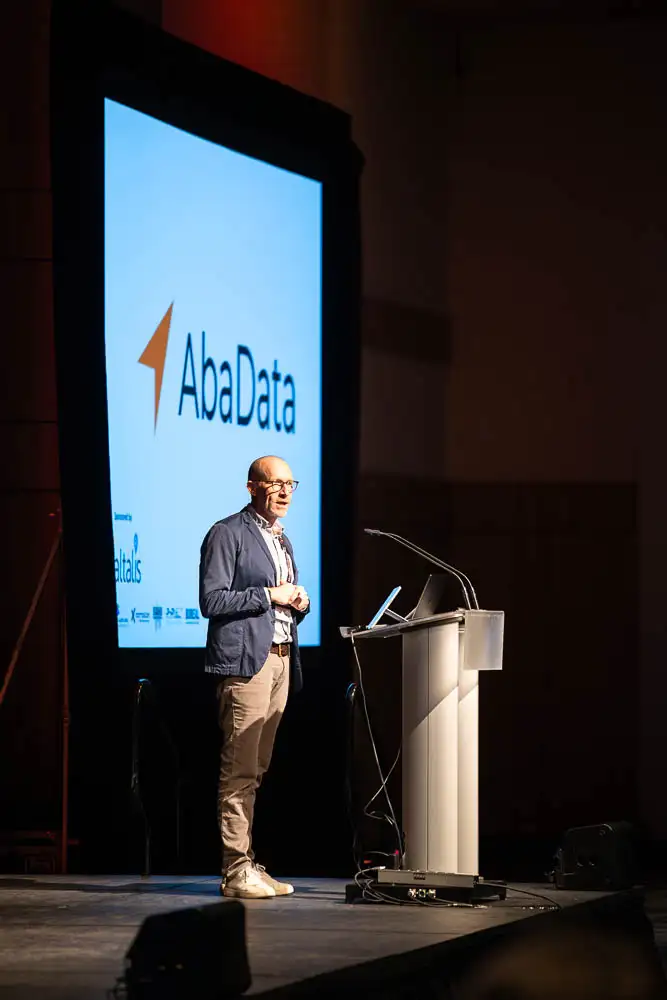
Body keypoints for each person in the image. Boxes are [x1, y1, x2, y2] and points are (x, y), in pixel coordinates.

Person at [199, 455, 309, 899]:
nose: (284, 491)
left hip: (281, 659)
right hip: (247, 665)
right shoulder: (227, 533)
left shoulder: (280, 539)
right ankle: (235, 868)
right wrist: (271, 594)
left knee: (257, 769)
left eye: (290, 483)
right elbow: (212, 600)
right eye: (274, 483)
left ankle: (247, 861)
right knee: (239, 769)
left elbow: (278, 602)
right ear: (251, 487)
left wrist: (297, 601)